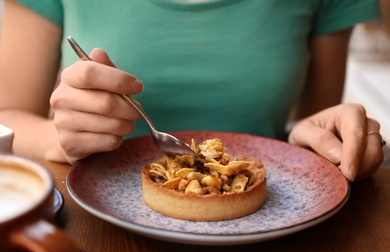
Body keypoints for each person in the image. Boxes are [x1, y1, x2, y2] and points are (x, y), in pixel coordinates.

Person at [0, 0, 385, 182]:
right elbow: (6, 116)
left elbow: (315, 121)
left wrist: (323, 139)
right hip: (93, 214)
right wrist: (59, 138)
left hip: (270, 218)